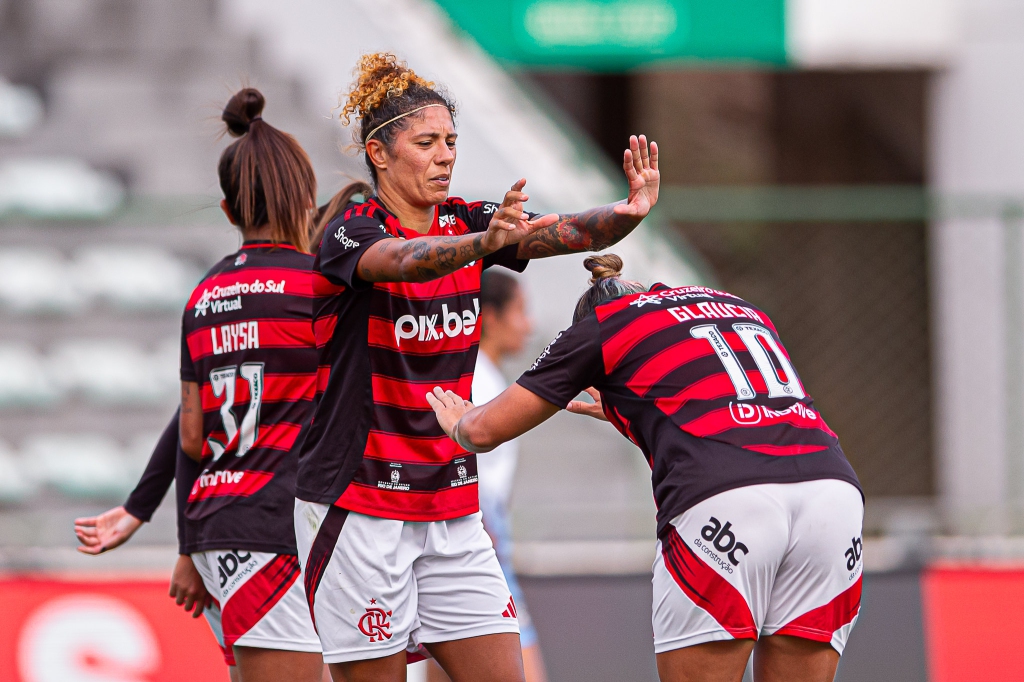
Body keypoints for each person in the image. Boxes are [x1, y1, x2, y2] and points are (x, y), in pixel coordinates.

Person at [294, 53, 659, 682]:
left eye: (452, 142)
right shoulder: (350, 234)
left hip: (452, 505)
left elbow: (558, 231)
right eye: (426, 142)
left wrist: (623, 216)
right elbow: (408, 262)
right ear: (379, 154)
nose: (445, 156)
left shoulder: (467, 220)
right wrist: (483, 245)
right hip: (359, 504)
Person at [425, 254, 864, 682]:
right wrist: (627, 411)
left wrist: (458, 422)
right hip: (834, 496)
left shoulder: (603, 327)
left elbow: (484, 432)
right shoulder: (738, 305)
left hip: (728, 502)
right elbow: (727, 405)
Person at [177, 86, 325, 682]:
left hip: (220, 528)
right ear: (307, 197)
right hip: (280, 529)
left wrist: (186, 548)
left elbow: (192, 438)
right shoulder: (319, 287)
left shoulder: (202, 296)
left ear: (228, 211)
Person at [426, 271, 546, 682]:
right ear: (489, 317)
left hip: (475, 538)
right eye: (520, 312)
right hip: (477, 542)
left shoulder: (487, 376)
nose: (528, 325)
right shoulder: (475, 379)